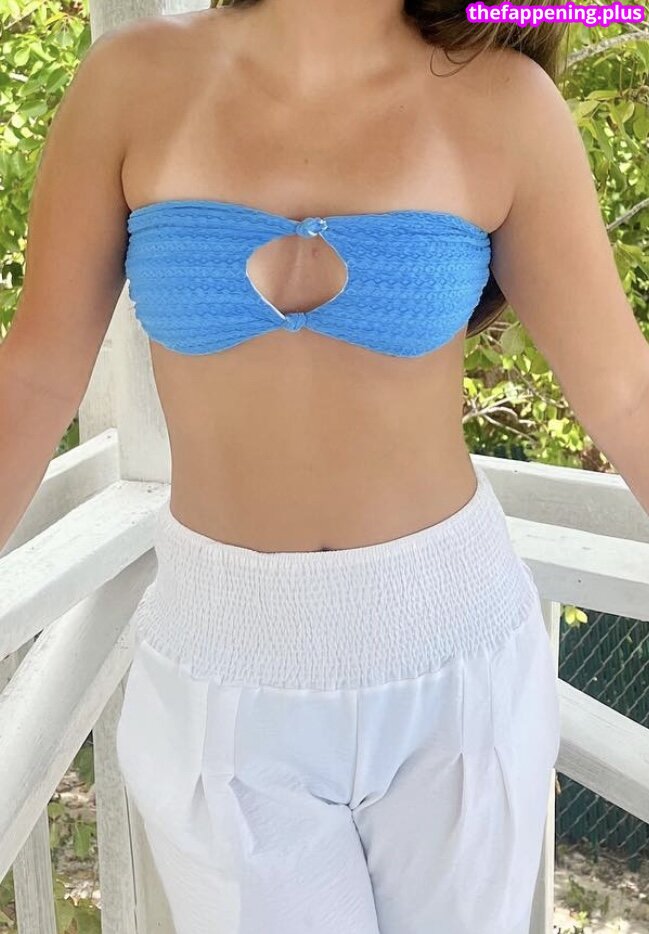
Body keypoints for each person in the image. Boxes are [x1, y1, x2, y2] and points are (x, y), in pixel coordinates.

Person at [2, 0, 648, 931]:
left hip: (453, 661)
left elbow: (624, 396)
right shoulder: (128, 84)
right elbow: (32, 379)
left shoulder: (506, 103)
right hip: (220, 667)